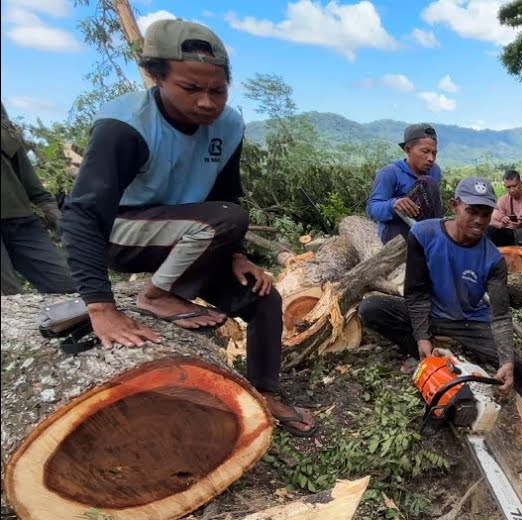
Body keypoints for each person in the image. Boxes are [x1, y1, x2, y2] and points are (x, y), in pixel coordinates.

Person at [59, 19, 318, 437]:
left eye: (217, 90)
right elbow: (83, 214)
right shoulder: (125, 126)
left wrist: (235, 255)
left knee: (262, 297)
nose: (206, 102)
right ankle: (155, 296)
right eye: (190, 89)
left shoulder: (229, 126)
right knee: (227, 219)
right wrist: (101, 307)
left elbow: (224, 194)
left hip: (190, 237)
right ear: (157, 77)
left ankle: (266, 392)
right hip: (124, 233)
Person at [358, 178, 522, 423]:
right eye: (472, 211)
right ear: (455, 205)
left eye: (486, 213)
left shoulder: (493, 259)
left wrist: (507, 361)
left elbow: (499, 315)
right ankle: (428, 352)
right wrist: (422, 335)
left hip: (469, 321)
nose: (479, 220)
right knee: (372, 308)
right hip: (432, 311)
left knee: (518, 367)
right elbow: (416, 291)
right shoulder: (423, 234)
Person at [1, 105, 76, 295]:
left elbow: (16, 154)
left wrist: (48, 205)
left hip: (19, 218)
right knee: (8, 300)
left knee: (70, 289)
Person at [366, 123, 443, 244]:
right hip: (396, 233)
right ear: (408, 149)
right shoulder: (390, 172)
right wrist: (393, 204)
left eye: (434, 153)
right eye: (425, 151)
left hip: (425, 227)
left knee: (430, 183)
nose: (430, 158)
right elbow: (372, 209)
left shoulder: (435, 171)